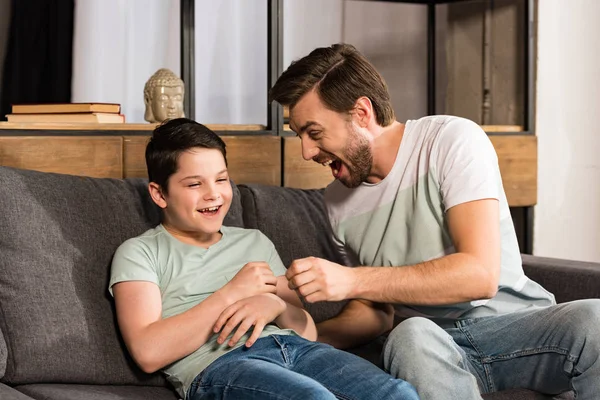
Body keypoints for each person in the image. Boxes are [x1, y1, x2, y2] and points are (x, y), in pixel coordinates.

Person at [269, 43, 600, 400]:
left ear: (362, 113)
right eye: (298, 134)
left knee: (595, 318)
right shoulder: (337, 202)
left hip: (517, 327)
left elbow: (479, 275)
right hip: (433, 345)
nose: (305, 151)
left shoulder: (450, 141)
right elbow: (375, 311)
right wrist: (302, 342)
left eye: (314, 132)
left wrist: (349, 279)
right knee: (408, 334)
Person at [108, 118, 419, 400]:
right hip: (222, 366)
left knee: (397, 393)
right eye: (194, 184)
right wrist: (232, 293)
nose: (214, 194)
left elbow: (307, 331)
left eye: (220, 179)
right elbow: (148, 351)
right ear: (160, 194)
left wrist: (277, 306)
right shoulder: (140, 252)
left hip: (298, 350)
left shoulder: (254, 241)